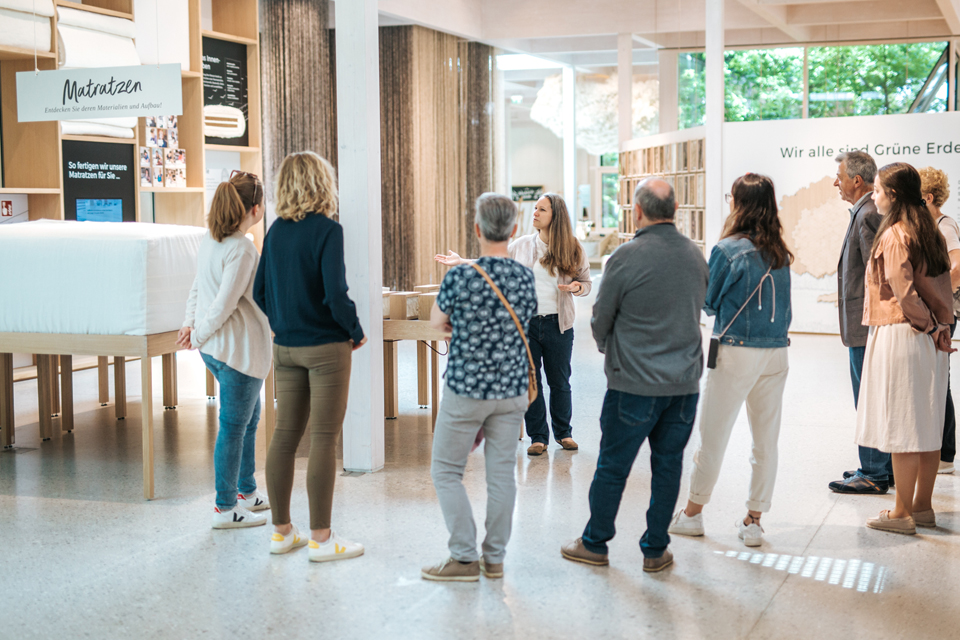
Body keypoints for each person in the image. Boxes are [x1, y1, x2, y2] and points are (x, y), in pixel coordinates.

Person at [560, 178, 708, 573]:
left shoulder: (625, 257)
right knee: (668, 465)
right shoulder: (696, 257)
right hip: (684, 385)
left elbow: (600, 318)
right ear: (675, 210)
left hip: (633, 384)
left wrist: (614, 352)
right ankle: (656, 549)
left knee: (613, 465)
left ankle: (595, 543)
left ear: (638, 211)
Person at [253, 151, 367, 562]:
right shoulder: (328, 231)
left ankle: (282, 532)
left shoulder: (275, 232)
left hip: (285, 348)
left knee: (284, 436)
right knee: (322, 438)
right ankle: (321, 538)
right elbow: (336, 294)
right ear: (323, 183)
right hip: (326, 349)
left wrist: (285, 320)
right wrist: (355, 331)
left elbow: (260, 293)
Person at [668, 174, 792, 547]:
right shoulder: (781, 251)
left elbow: (708, 301)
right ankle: (754, 521)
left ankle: (692, 514)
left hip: (736, 350)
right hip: (776, 351)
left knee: (714, 435)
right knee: (765, 441)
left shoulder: (727, 249)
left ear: (739, 204)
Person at [421, 193, 537, 582]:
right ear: (515, 229)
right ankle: (495, 559)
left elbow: (438, 322)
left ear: (477, 229)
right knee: (502, 475)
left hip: (467, 389)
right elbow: (524, 319)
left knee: (446, 470)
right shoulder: (524, 276)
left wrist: (464, 326)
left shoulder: (461, 276)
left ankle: (464, 556)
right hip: (511, 390)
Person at [436, 193, 591, 456]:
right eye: (535, 209)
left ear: (556, 216)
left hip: (559, 326)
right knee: (533, 382)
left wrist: (577, 287)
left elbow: (586, 283)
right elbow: (492, 264)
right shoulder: (522, 244)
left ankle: (564, 433)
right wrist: (462, 261)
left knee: (560, 382)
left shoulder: (572, 247)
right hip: (527, 325)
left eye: (542, 210)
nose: (535, 213)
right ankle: (538, 437)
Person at [855, 162, 954, 535]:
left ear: (893, 195)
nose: (874, 195)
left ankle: (901, 513)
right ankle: (922, 507)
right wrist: (939, 326)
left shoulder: (895, 234)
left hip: (904, 332)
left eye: (878, 190)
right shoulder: (928, 230)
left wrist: (926, 324)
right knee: (927, 423)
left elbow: (902, 291)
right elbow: (941, 290)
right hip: (930, 337)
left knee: (903, 424)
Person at [179, 171, 273, 529]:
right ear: (254, 207)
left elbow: (196, 289)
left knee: (248, 422)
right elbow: (223, 304)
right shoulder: (243, 248)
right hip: (236, 353)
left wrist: (191, 326)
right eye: (263, 203)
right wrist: (198, 333)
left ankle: (246, 491)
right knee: (234, 427)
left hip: (221, 351)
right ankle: (224, 506)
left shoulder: (213, 240)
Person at [828, 151, 894, 495]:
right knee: (870, 396)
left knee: (867, 397)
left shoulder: (867, 214)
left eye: (839, 176)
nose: (835, 182)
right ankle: (880, 465)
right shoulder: (866, 211)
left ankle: (874, 472)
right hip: (864, 325)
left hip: (866, 326)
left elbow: (878, 275)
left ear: (857, 180)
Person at [919, 166, 960, 475]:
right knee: (936, 378)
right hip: (938, 311)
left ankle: (946, 455)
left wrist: (940, 301)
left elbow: (957, 266)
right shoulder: (929, 226)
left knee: (941, 380)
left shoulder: (944, 227)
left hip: (945, 313)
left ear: (928, 197)